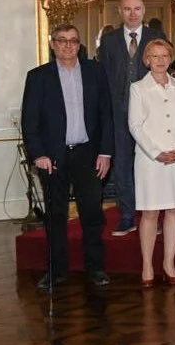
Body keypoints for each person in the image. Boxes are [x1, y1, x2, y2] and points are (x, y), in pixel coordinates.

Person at [21, 24, 113, 290]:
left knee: (93, 214)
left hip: (88, 154)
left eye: (73, 41)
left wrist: (106, 152)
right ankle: (56, 271)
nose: (68, 46)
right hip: (52, 158)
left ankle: (95, 269)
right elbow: (30, 120)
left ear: (80, 44)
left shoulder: (95, 72)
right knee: (56, 216)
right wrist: (38, 154)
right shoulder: (38, 77)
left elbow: (106, 115)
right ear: (53, 44)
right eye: (62, 41)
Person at [129, 39, 175, 287]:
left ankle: (169, 263)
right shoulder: (138, 88)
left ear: (170, 59)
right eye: (154, 56)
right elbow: (135, 125)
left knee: (174, 210)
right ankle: (147, 264)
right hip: (150, 161)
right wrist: (157, 152)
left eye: (164, 56)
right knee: (149, 212)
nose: (159, 61)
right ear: (147, 60)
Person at [98, 0, 166, 237]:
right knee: (123, 165)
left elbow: (164, 74)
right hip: (118, 114)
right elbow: (102, 79)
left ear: (144, 10)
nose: (133, 13)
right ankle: (127, 215)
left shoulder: (156, 37)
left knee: (150, 164)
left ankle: (153, 215)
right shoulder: (109, 41)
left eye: (137, 8)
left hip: (151, 115)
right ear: (120, 11)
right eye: (127, 9)